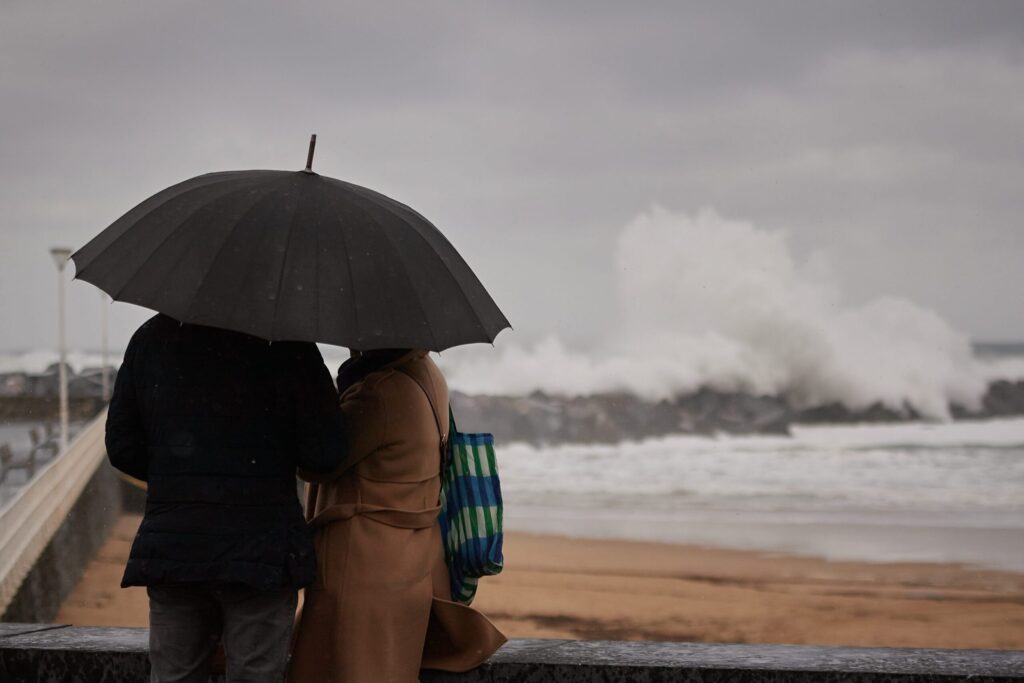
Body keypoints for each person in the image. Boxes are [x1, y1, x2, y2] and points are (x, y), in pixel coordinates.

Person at [105, 314, 346, 683]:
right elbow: (324, 454)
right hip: (261, 550)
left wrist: (180, 478)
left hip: (175, 545)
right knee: (255, 674)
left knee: (174, 676)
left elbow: (122, 447)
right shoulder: (289, 346)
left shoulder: (151, 337)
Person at [288, 348, 506, 683]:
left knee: (346, 669)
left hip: (362, 563)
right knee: (390, 667)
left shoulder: (377, 392)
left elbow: (320, 461)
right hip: (413, 558)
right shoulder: (425, 371)